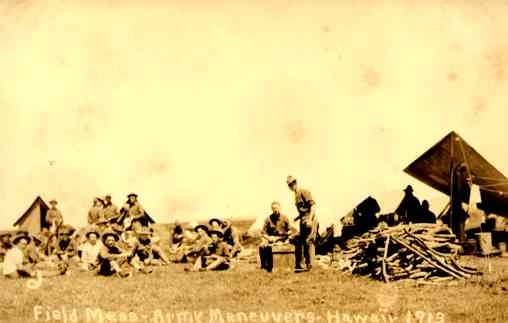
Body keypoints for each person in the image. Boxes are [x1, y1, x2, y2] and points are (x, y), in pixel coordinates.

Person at [287, 176, 318, 273]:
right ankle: (305, 265)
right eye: (289, 185)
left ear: (296, 183)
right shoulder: (296, 195)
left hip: (309, 219)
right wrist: (296, 219)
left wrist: (310, 219)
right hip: (303, 220)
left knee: (309, 241)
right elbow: (301, 212)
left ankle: (311, 266)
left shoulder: (304, 192)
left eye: (292, 183)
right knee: (303, 242)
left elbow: (313, 206)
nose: (291, 186)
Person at [259, 201, 293, 272]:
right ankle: (264, 266)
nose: (275, 210)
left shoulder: (285, 218)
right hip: (271, 239)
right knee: (262, 246)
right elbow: (263, 232)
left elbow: (290, 230)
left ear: (280, 208)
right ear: (271, 209)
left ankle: (286, 265)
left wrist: (286, 234)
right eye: (273, 208)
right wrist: (269, 238)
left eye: (276, 208)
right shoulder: (268, 219)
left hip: (282, 239)